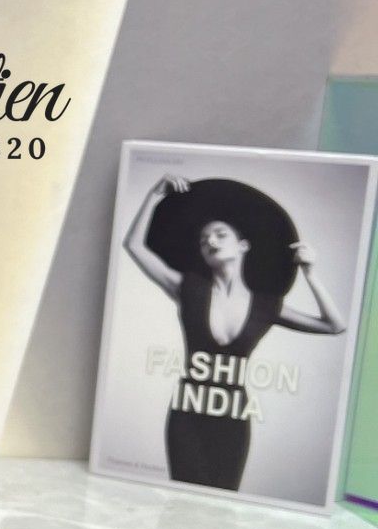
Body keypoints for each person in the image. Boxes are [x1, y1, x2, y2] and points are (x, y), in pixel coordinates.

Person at [123, 174, 346, 490]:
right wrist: (154, 194)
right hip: (187, 412)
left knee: (224, 497)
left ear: (243, 246)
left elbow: (335, 326)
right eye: (203, 240)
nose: (210, 241)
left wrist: (310, 273)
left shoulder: (266, 305)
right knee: (183, 497)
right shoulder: (188, 289)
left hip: (234, 418)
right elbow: (133, 245)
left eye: (220, 234)